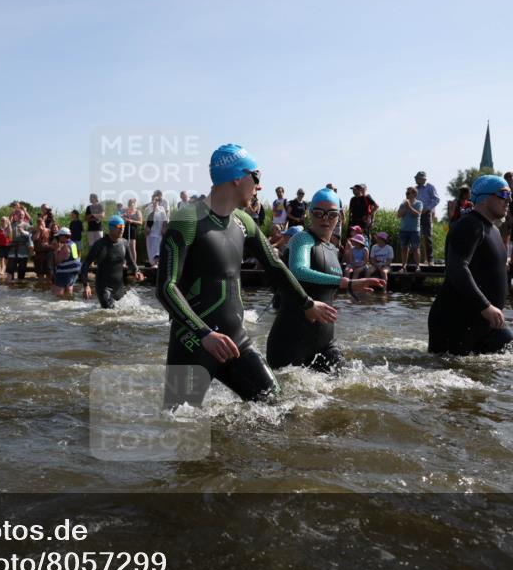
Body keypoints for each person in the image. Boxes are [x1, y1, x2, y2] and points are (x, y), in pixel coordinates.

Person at [157, 144, 337, 408]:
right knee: (180, 430)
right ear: (237, 178)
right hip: (194, 342)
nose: (259, 186)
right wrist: (204, 334)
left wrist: (307, 303)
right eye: (257, 177)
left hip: (235, 341)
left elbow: (274, 266)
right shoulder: (187, 220)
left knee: (277, 408)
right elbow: (166, 288)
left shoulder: (244, 221)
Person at [266, 188, 384, 372]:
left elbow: (324, 288)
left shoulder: (333, 249)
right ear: (309, 213)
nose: (325, 219)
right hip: (290, 342)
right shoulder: (302, 239)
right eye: (318, 213)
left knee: (348, 391)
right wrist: (347, 283)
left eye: (332, 214)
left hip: (324, 344)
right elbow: (299, 271)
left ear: (340, 217)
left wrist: (350, 290)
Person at [428, 174, 513, 355]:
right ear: (483, 198)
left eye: (510, 196)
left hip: (483, 321)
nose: (509, 200)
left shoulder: (494, 230)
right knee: (453, 377)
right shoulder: (470, 225)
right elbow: (457, 267)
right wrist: (485, 305)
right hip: (456, 319)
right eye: (504, 195)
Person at [80, 215, 143, 309]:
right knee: (110, 313)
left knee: (123, 313)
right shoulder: (100, 244)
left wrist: (137, 271)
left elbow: (130, 262)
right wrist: (86, 285)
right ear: (111, 228)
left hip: (119, 287)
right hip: (103, 287)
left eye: (123, 227)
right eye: (119, 227)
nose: (122, 230)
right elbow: (85, 265)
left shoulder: (124, 243)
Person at [397, 186, 423, 271]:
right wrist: (405, 207)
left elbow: (417, 214)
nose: (406, 195)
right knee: (404, 248)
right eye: (406, 193)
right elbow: (398, 215)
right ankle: (403, 266)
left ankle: (417, 266)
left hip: (414, 230)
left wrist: (409, 207)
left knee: (416, 248)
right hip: (404, 230)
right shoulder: (403, 204)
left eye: (408, 193)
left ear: (414, 194)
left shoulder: (419, 203)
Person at [51, 227, 81, 297]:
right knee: (68, 294)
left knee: (56, 295)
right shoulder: (73, 244)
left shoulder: (65, 247)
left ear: (63, 236)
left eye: (59, 237)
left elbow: (57, 261)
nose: (58, 238)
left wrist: (56, 250)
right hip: (73, 272)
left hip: (64, 273)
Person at [6, 204, 32, 281]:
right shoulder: (12, 225)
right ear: (16, 215)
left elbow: (30, 235)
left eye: (22, 215)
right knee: (10, 270)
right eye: (19, 214)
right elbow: (6, 234)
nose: (21, 216)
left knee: (21, 270)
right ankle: (9, 287)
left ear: (24, 216)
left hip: (23, 249)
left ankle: (20, 288)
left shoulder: (27, 225)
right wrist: (8, 230)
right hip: (13, 249)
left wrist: (23, 232)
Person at [145, 191, 168, 267]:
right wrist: (146, 228)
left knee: (157, 247)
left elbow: (165, 220)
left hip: (158, 232)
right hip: (150, 232)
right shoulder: (148, 208)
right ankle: (152, 262)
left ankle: (156, 262)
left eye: (156, 200)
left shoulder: (162, 209)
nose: (155, 201)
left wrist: (164, 228)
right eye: (153, 199)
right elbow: (146, 220)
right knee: (151, 248)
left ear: (158, 201)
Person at [123, 198, 142, 265]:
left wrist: (132, 221)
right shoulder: (126, 211)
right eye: (129, 203)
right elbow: (123, 219)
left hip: (133, 228)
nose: (130, 204)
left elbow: (140, 222)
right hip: (126, 228)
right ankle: (124, 263)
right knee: (125, 246)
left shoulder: (137, 211)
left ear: (134, 203)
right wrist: (124, 217)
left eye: (132, 203)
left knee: (132, 246)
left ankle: (134, 263)